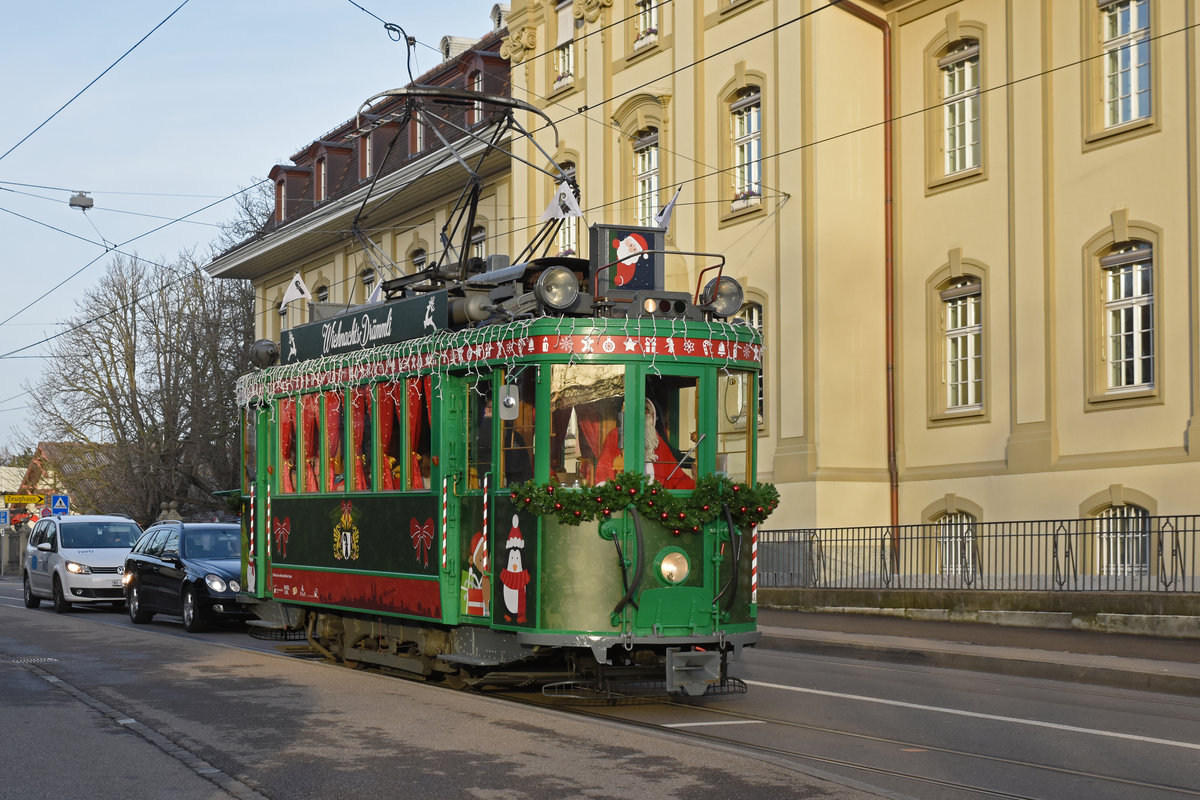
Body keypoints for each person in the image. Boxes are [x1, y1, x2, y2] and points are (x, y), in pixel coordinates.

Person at [595, 399, 695, 489]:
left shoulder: (656, 441)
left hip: (656, 498)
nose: (642, 416)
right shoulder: (615, 436)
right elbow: (604, 470)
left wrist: (696, 487)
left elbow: (676, 477)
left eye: (646, 412)